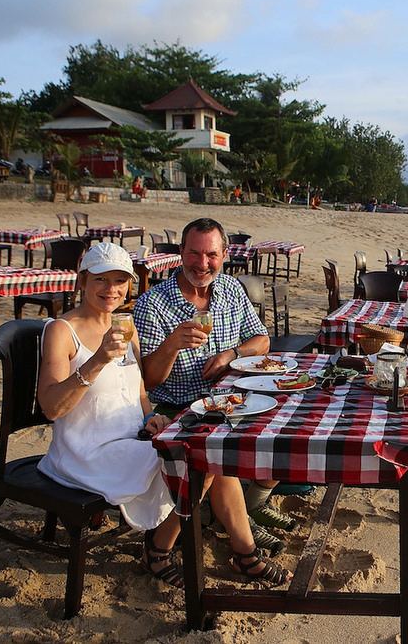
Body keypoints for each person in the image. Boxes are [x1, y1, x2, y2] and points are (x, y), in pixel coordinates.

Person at [36, 242, 290, 589]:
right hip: (87, 451)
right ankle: (164, 552)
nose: (111, 290)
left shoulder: (124, 325)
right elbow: (51, 408)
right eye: (101, 280)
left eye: (120, 281)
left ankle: (242, 554)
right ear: (82, 281)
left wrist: (148, 417)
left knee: (210, 451)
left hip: (132, 438)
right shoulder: (61, 330)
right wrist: (96, 361)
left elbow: (138, 388)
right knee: (201, 459)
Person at [133, 218, 295, 547]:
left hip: (229, 401)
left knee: (288, 424)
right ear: (181, 253)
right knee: (215, 447)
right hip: (177, 407)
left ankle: (251, 503)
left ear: (224, 254)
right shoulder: (153, 304)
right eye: (194, 254)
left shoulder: (232, 290)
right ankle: (242, 530)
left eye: (211, 255)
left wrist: (230, 355)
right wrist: (172, 345)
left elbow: (262, 341)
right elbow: (147, 380)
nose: (203, 264)